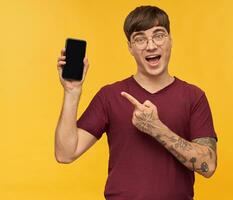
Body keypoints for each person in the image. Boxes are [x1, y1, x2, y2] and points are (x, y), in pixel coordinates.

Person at [55, 5, 218, 200]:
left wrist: (157, 129)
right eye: (140, 39)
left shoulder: (194, 96)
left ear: (170, 40)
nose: (150, 45)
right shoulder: (110, 96)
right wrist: (72, 92)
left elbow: (208, 166)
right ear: (130, 47)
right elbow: (65, 154)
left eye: (159, 35)